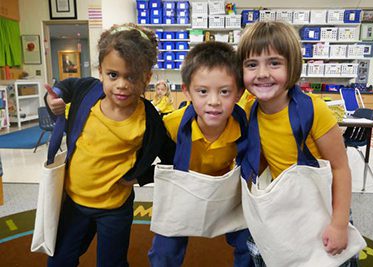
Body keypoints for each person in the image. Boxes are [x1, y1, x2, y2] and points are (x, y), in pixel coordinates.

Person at [45, 23, 172, 267]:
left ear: (147, 77)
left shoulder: (149, 120)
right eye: (113, 75)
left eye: (131, 76)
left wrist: (140, 176)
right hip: (74, 202)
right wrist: (54, 97)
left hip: (115, 209)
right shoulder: (88, 91)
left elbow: (172, 157)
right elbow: (66, 86)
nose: (121, 84)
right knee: (60, 259)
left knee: (112, 263)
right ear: (101, 71)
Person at [237, 21, 353, 266]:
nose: (262, 73)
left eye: (274, 63)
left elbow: (341, 168)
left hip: (324, 208)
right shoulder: (250, 109)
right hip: (285, 205)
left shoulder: (314, 109)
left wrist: (340, 224)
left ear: (293, 66)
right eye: (251, 64)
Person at [148, 41, 254, 267]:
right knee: (163, 250)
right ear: (187, 91)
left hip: (225, 194)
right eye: (203, 91)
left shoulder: (245, 124)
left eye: (225, 91)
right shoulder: (172, 125)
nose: (213, 102)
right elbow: (145, 149)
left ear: (239, 93)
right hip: (183, 192)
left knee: (251, 241)